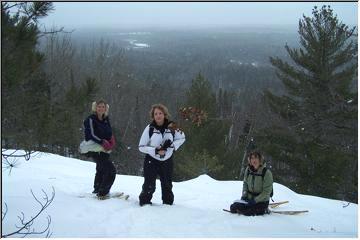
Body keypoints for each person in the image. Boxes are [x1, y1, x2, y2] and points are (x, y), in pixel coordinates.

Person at [138, 103, 185, 206]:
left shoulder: (172, 126)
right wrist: (155, 150)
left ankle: (168, 204)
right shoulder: (150, 128)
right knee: (149, 184)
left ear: (164, 114)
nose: (158, 116)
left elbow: (182, 138)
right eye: (156, 114)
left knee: (167, 184)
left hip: (167, 160)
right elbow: (141, 147)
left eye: (160, 113)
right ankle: (145, 202)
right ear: (153, 116)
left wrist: (172, 146)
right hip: (151, 160)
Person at [79, 100, 116, 199]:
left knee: (101, 169)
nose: (101, 108)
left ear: (105, 108)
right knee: (111, 170)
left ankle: (97, 189)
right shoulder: (90, 119)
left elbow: (109, 131)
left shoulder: (105, 119)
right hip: (94, 148)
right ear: (95, 108)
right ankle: (103, 193)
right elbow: (90, 134)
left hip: (104, 148)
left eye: (103, 107)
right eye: (99, 106)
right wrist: (102, 141)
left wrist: (111, 139)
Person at [230, 151, 273, 216]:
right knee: (233, 208)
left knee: (248, 212)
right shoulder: (248, 170)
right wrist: (244, 196)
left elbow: (267, 192)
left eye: (256, 158)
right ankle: (247, 207)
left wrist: (255, 200)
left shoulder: (266, 173)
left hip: (262, 201)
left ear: (260, 159)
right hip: (249, 199)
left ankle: (265, 209)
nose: (254, 160)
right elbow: (245, 184)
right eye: (252, 158)